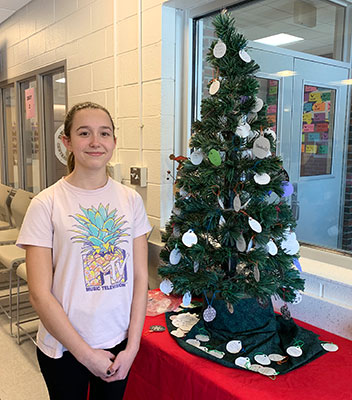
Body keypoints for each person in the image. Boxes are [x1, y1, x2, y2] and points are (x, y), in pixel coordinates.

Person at [16, 102, 151, 400]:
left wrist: (132, 347)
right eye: (84, 133)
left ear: (114, 142)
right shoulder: (46, 203)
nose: (95, 142)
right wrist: (86, 354)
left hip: (119, 343)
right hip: (63, 348)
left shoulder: (130, 201)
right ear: (66, 142)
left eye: (104, 133)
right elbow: (39, 293)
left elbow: (141, 277)